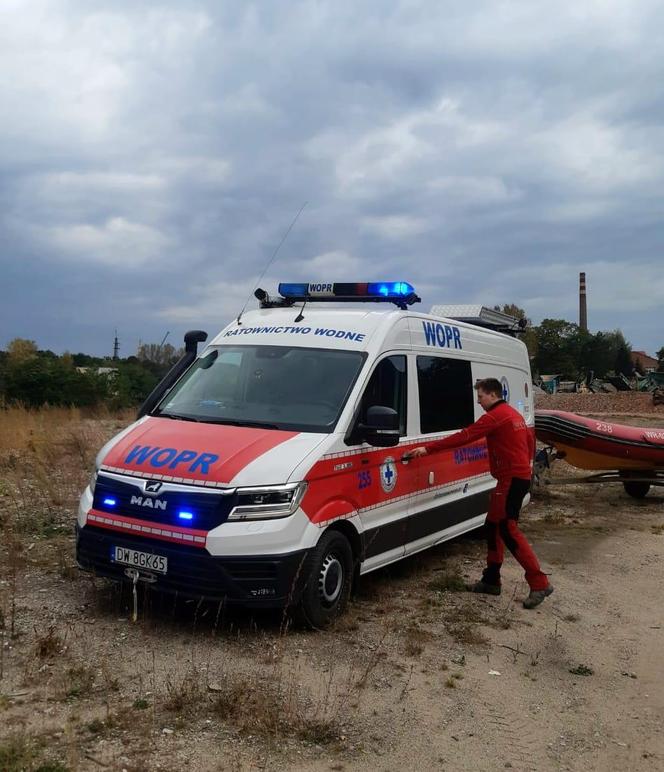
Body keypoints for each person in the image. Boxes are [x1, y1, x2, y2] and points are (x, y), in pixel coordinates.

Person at [404, 377, 553, 609]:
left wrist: (427, 449)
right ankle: (491, 580)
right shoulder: (514, 415)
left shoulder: (495, 416)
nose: (478, 401)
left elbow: (465, 436)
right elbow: (528, 442)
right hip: (516, 477)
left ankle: (539, 581)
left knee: (507, 528)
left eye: (481, 396)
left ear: (493, 395)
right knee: (492, 525)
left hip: (512, 480)